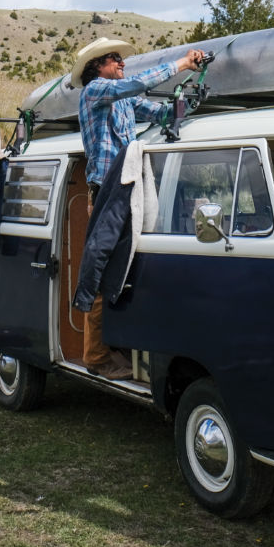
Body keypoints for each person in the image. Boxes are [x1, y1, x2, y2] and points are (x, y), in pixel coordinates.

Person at [72, 37, 205, 379]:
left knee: (126, 272)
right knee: (100, 274)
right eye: (114, 58)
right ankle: (96, 356)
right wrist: (181, 64)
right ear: (96, 67)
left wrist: (186, 103)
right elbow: (137, 83)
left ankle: (120, 346)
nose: (121, 63)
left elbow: (160, 113)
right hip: (105, 193)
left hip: (129, 192)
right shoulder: (95, 92)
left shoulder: (124, 100)